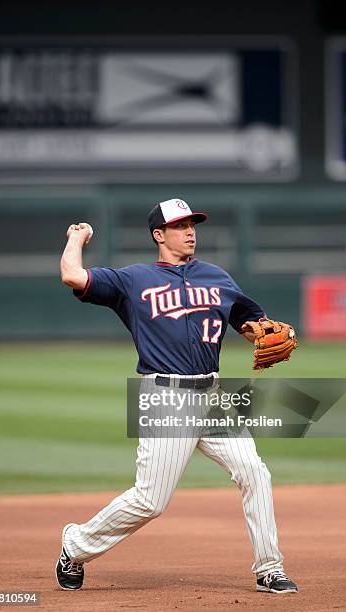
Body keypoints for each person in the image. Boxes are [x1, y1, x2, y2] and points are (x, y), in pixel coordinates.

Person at [55, 198, 298, 595]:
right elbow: (71, 276)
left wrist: (268, 333)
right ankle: (75, 544)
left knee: (255, 472)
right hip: (165, 396)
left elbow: (251, 325)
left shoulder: (217, 277)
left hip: (214, 393)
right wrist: (76, 238)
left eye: (192, 224)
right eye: (180, 225)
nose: (190, 231)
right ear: (159, 234)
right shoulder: (133, 280)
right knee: (151, 501)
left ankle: (269, 568)